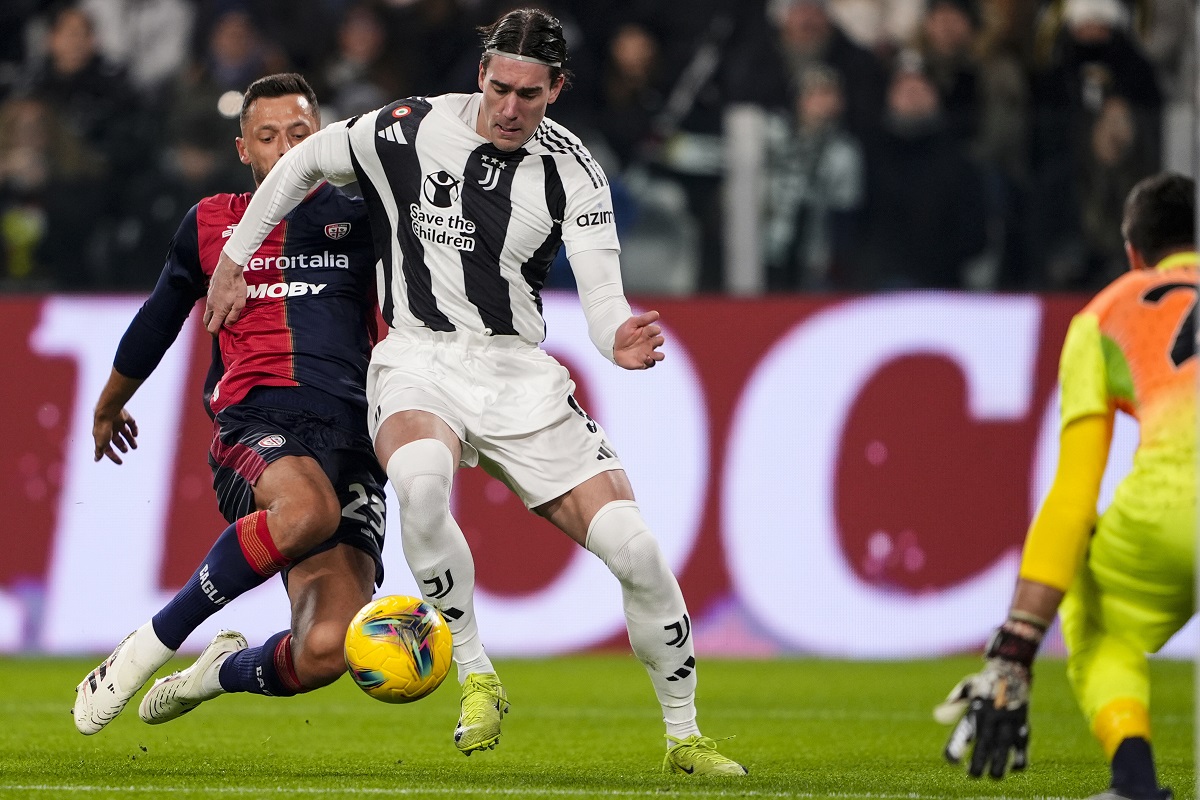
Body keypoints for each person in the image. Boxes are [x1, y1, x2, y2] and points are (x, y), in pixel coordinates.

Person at [205, 8, 747, 777]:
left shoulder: (574, 170)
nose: (509, 108)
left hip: (517, 372)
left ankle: (686, 736)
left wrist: (617, 336)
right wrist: (236, 256)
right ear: (481, 73)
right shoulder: (404, 128)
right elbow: (300, 165)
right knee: (420, 487)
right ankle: (478, 675)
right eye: (498, 87)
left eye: (529, 94)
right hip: (418, 357)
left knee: (639, 553)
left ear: (556, 88)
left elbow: (602, 299)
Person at [74, 73, 386, 734]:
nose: (284, 149)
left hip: (356, 441)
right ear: (243, 149)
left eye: (299, 135)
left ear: (322, 137)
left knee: (328, 651)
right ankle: (148, 646)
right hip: (260, 420)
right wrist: (108, 404)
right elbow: (158, 320)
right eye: (267, 137)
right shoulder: (211, 223)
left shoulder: (363, 218)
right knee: (305, 510)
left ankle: (218, 673)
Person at [934, 171, 1195, 800]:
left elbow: (1076, 493)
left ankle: (1134, 778)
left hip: (1174, 507)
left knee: (1100, 615)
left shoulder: (1108, 311)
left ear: (1133, 253)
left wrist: (1018, 641)